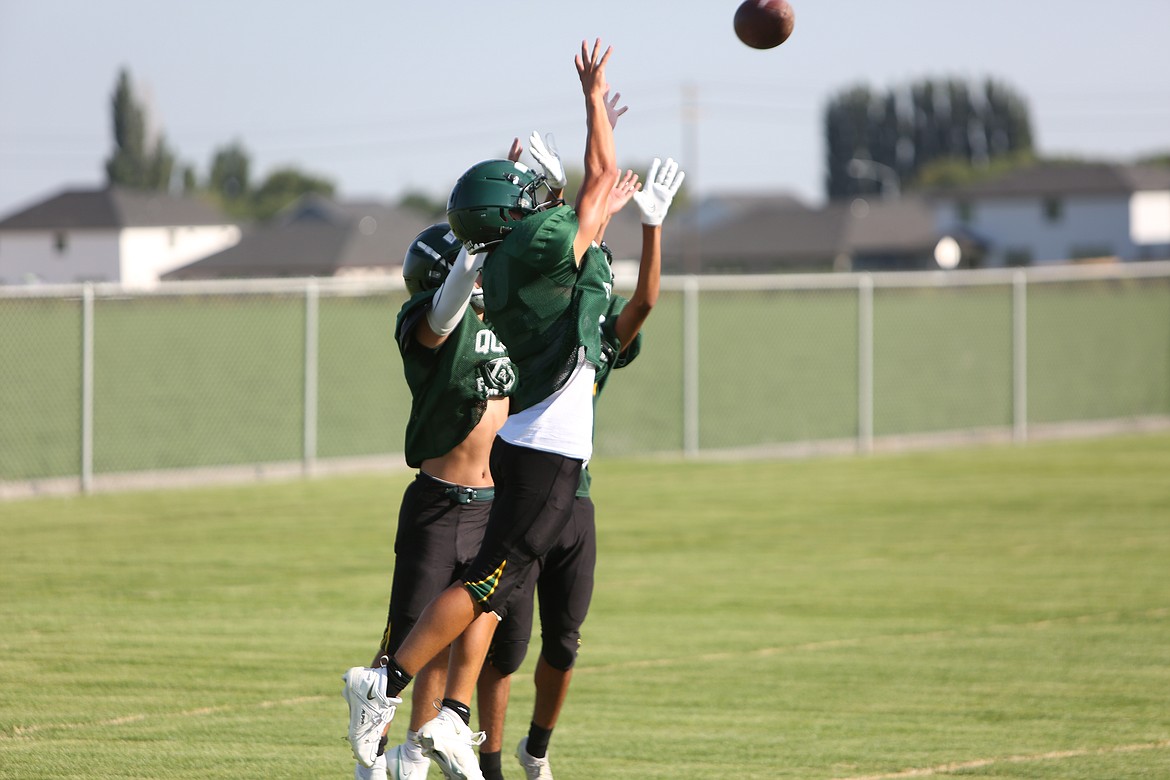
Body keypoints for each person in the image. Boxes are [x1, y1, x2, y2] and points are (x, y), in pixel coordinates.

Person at [343, 38, 620, 780]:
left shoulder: (510, 255)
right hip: (545, 448)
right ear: (518, 218)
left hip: (530, 445)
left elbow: (575, 208)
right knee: (489, 584)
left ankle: (451, 720)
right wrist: (594, 99)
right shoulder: (531, 246)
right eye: (527, 196)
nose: (538, 197)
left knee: (498, 587)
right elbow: (597, 181)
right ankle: (389, 684)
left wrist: (530, 187)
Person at [475, 156, 684, 780]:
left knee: (564, 639)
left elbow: (642, 303)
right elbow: (551, 243)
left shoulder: (596, 329)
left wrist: (652, 228)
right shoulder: (546, 307)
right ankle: (487, 764)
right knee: (506, 643)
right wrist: (554, 196)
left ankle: (535, 750)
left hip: (576, 494)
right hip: (531, 476)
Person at [346, 224, 516, 780]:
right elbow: (446, 309)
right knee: (405, 634)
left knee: (464, 625)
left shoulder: (501, 323)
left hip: (494, 504)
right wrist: (471, 249)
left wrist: (505, 218)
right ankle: (372, 759)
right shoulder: (423, 326)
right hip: (440, 504)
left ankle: (417, 755)